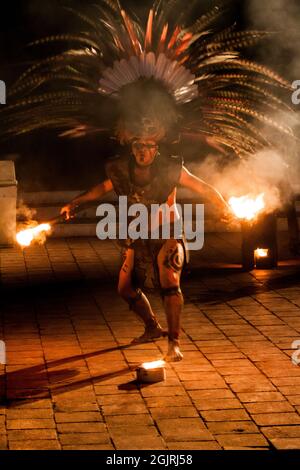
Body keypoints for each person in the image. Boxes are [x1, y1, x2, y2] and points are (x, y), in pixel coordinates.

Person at [61, 134, 231, 362]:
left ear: (156, 148)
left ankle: (174, 343)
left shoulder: (171, 168)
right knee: (125, 288)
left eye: (148, 146)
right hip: (138, 233)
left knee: (170, 281)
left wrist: (223, 205)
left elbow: (203, 187)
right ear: (131, 148)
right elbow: (100, 188)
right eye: (138, 146)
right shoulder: (121, 170)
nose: (143, 151)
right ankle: (152, 326)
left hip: (168, 231)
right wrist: (75, 203)